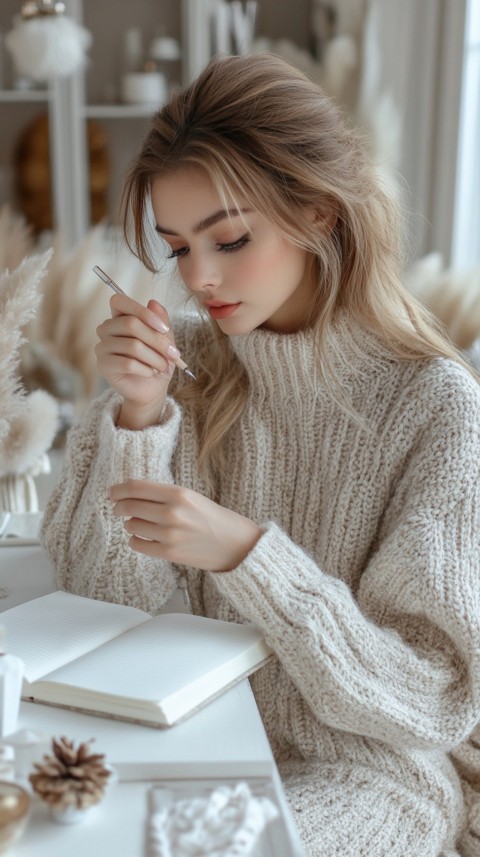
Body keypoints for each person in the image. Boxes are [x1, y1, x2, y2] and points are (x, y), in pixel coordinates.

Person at [41, 53, 480, 856]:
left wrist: (249, 555)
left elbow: (432, 697)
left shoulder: (434, 404)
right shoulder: (193, 369)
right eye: (177, 249)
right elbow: (103, 602)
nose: (200, 277)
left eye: (231, 238)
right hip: (196, 739)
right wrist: (140, 419)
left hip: (370, 775)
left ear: (319, 212)